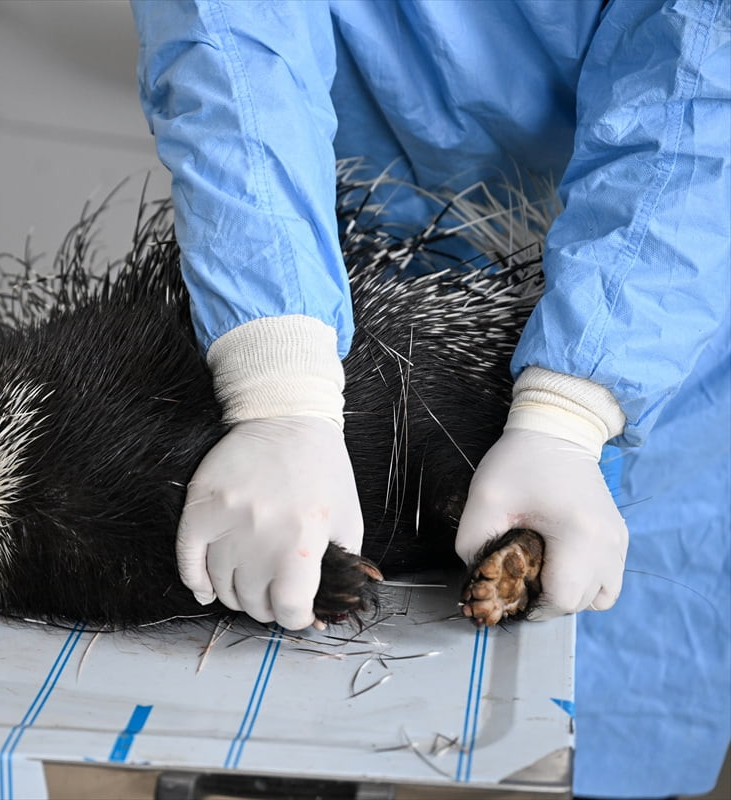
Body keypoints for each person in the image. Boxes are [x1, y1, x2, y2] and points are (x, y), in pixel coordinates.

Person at [130, 1, 730, 798]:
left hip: (657, 312)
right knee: (289, 653)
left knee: (614, 704)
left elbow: (696, 103)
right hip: (339, 259)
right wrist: (279, 387)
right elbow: (231, 48)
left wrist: (572, 408)